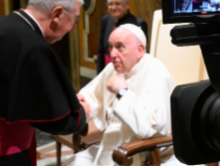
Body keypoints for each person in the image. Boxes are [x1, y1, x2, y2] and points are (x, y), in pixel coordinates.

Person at [63, 24, 187, 166]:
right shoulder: (114, 68)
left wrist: (122, 92)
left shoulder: (156, 73)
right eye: (111, 47)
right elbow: (92, 96)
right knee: (77, 161)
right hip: (116, 144)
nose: (112, 54)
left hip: (148, 151)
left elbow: (150, 129)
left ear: (139, 50)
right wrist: (82, 103)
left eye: (120, 47)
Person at [0, 0, 90, 166]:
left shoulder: (6, 26)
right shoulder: (33, 47)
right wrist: (82, 113)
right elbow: (58, 121)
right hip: (7, 152)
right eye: (75, 19)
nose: (73, 28)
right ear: (57, 14)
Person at [97, 0, 148, 74]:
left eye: (117, 4)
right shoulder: (106, 20)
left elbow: (141, 55)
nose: (113, 7)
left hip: (128, 73)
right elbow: (101, 52)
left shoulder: (139, 23)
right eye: (110, 4)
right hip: (108, 72)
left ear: (127, 4)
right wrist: (100, 75)